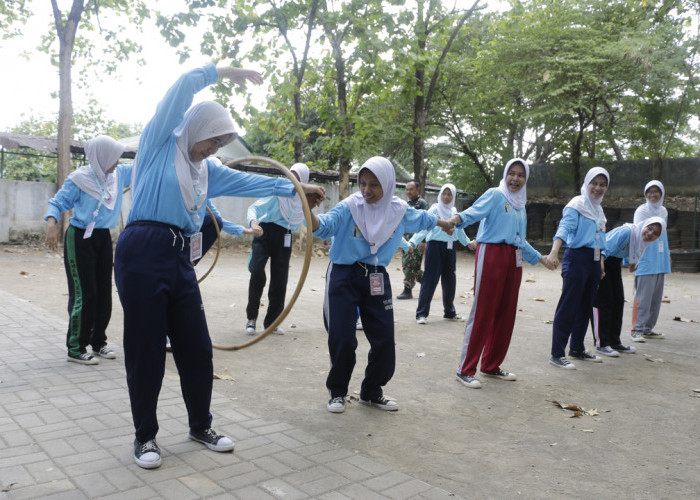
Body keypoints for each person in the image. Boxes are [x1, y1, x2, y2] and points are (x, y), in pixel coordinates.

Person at [113, 63, 325, 469]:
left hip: (179, 256)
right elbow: (182, 87)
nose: (213, 148)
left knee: (195, 346)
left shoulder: (207, 170)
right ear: (196, 129)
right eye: (212, 139)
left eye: (221, 143)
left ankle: (200, 425)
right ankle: (145, 437)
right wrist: (223, 72)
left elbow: (253, 183)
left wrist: (298, 189)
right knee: (147, 349)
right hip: (142, 249)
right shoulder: (160, 142)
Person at [309, 157, 453, 413]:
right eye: (362, 183)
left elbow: (423, 219)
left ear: (387, 185)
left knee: (384, 339)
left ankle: (372, 391)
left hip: (376, 277)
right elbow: (324, 227)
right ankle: (338, 393)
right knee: (342, 339)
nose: (366, 190)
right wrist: (308, 212)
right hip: (343, 274)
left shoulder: (398, 210)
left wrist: (446, 224)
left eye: (374, 185)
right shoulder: (349, 207)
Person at [448, 159, 555, 388]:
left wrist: (541, 258)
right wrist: (455, 220)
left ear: (526, 180)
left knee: (506, 313)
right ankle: (465, 369)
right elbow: (473, 212)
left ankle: (491, 365)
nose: (515, 179)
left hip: (513, 259)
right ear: (505, 175)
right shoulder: (495, 195)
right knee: (484, 311)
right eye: (512, 174)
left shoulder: (520, 205)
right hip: (492, 254)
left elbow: (521, 240)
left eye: (520, 175)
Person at [45, 135, 131, 365]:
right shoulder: (80, 179)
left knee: (104, 292)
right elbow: (58, 202)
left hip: (102, 237)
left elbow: (145, 165)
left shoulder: (117, 176)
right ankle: (75, 347)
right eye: (113, 157)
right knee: (85, 293)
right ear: (101, 156)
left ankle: (98, 342)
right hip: (80, 237)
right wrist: (52, 224)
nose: (116, 162)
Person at [547, 167, 610, 369]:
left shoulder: (599, 210)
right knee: (569, 306)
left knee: (586, 306)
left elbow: (600, 240)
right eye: (595, 183)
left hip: (593, 262)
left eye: (602, 184)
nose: (598, 188)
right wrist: (554, 252)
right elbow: (564, 228)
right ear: (587, 183)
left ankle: (577, 348)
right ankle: (557, 353)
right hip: (576, 258)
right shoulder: (577, 204)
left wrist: (600, 263)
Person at [244, 163, 309, 336]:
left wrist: (323, 234)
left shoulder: (302, 201)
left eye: (297, 177)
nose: (292, 180)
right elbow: (254, 208)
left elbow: (309, 220)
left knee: (280, 280)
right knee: (257, 273)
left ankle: (272, 323)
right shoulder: (278, 193)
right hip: (264, 233)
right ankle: (251, 318)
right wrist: (253, 223)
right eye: (291, 175)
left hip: (284, 238)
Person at [590, 217, 666, 357]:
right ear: (644, 225)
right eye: (649, 228)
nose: (650, 233)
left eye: (655, 233)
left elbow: (630, 254)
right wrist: (600, 266)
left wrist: (632, 262)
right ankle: (601, 344)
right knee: (603, 302)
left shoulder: (641, 241)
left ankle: (614, 341)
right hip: (600, 261)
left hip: (614, 263)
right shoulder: (627, 232)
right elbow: (604, 246)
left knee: (618, 301)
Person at [410, 183, 473, 324]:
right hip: (435, 247)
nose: (446, 197)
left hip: (450, 248)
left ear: (453, 196)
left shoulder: (454, 211)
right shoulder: (434, 209)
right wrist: (414, 242)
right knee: (430, 279)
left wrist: (467, 243)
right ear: (440, 195)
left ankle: (449, 312)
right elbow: (424, 227)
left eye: (449, 194)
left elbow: (459, 230)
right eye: (444, 193)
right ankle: (421, 313)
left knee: (450, 280)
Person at [630, 181, 671, 342]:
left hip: (660, 260)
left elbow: (664, 235)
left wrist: (667, 254)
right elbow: (637, 233)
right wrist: (634, 258)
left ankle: (648, 328)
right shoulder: (642, 210)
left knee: (655, 297)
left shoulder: (664, 211)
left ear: (662, 193)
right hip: (646, 257)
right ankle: (637, 330)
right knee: (643, 297)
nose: (652, 195)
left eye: (656, 192)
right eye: (649, 191)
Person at [396, 180, 430, 299]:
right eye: (407, 189)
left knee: (409, 265)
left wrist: (423, 241)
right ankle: (428, 283)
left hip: (417, 240)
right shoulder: (405, 204)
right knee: (410, 266)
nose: (408, 192)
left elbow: (426, 223)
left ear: (418, 190)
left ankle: (408, 290)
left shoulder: (422, 204)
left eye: (411, 189)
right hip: (406, 240)